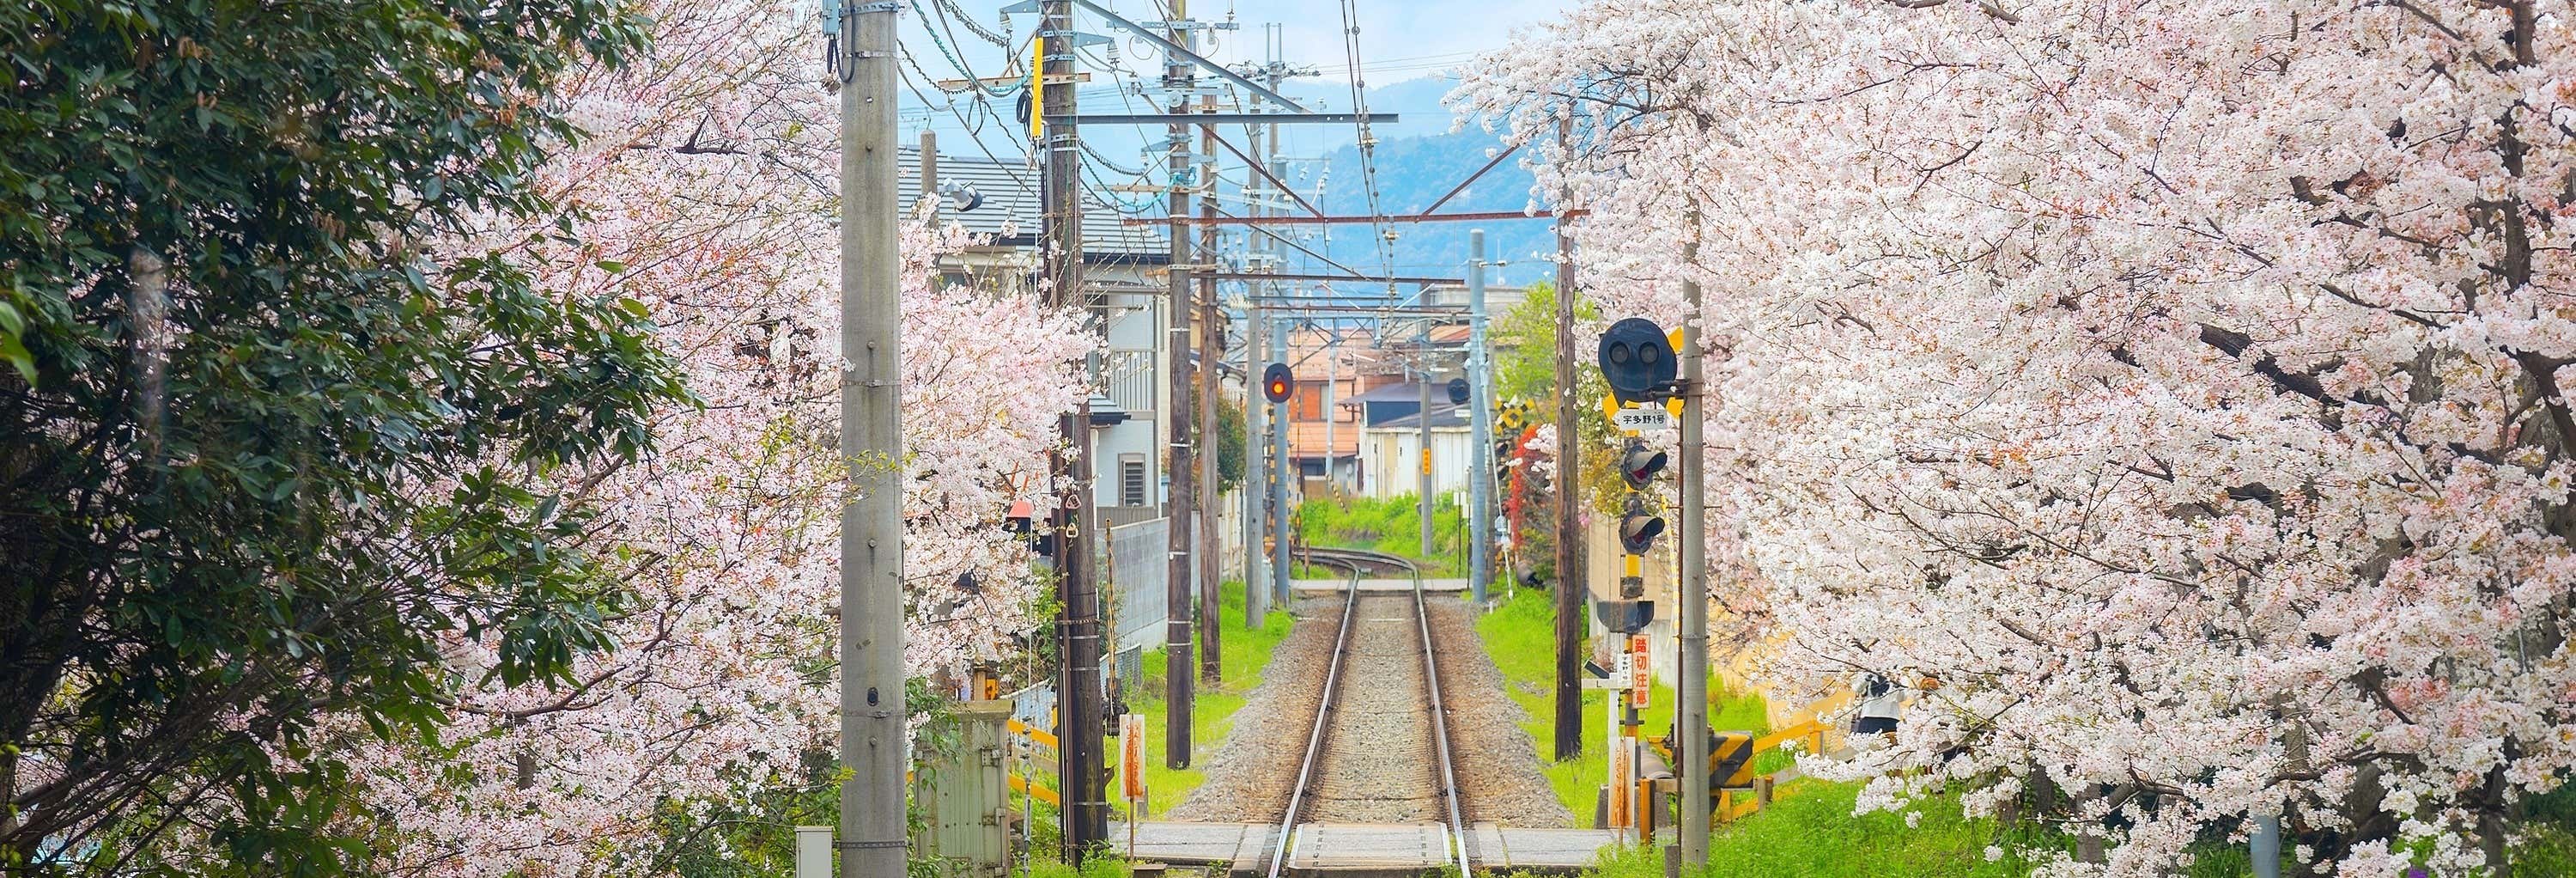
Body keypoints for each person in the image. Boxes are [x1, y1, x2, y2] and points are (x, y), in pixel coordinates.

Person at [1853, 672, 1904, 736]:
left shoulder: (1899, 673)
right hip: (1870, 716)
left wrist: (1897, 685)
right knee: (1869, 744)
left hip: (1891, 717)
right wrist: (1868, 677)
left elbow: (1902, 698)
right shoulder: (1867, 672)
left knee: (1891, 744)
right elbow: (1857, 689)